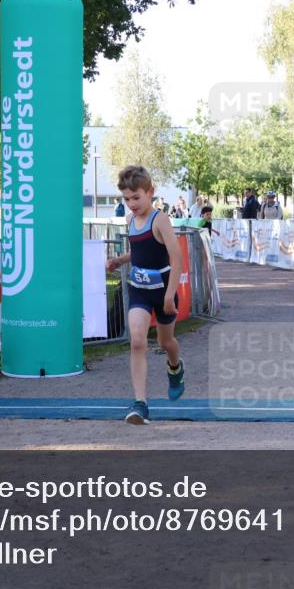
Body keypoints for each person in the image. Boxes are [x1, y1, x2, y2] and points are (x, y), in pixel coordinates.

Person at [105, 165, 186, 425]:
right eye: (126, 199)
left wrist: (170, 295)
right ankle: (140, 404)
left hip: (163, 291)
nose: (132, 204)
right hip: (139, 289)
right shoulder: (130, 220)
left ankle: (175, 367)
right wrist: (120, 260)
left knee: (165, 342)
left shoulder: (160, 219)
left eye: (136, 197)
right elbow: (140, 251)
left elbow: (176, 257)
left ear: (150, 192)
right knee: (138, 341)